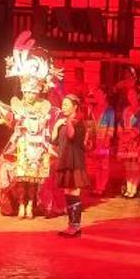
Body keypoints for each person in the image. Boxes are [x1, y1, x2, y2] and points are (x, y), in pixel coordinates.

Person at [0, 31, 62, 219]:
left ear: (38, 92)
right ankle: (21, 204)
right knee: (18, 175)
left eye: (33, 92)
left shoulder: (46, 107)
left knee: (35, 179)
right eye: (27, 92)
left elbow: (50, 128)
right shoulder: (18, 105)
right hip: (21, 146)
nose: (30, 95)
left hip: (39, 147)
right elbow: (10, 122)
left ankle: (32, 204)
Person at [53, 94, 89, 238]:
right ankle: (71, 225)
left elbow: (71, 135)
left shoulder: (79, 122)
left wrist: (67, 122)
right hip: (65, 161)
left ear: (75, 107)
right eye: (63, 104)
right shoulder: (62, 123)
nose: (63, 107)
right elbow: (54, 141)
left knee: (74, 193)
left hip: (75, 162)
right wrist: (56, 125)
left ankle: (76, 226)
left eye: (67, 104)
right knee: (68, 194)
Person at [84, 88, 115, 196]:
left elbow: (111, 126)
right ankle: (97, 186)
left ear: (104, 95)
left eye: (99, 94)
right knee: (97, 164)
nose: (97, 96)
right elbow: (89, 125)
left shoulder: (109, 110)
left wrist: (108, 138)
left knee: (104, 164)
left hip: (104, 139)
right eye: (96, 94)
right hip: (95, 139)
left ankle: (102, 186)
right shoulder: (93, 109)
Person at [116, 88, 140, 198]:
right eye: (129, 95)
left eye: (133, 94)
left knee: (134, 166)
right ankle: (129, 188)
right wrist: (121, 134)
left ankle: (134, 188)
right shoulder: (126, 110)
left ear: (138, 95)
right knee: (127, 166)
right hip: (125, 140)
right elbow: (121, 123)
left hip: (135, 141)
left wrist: (129, 137)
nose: (131, 97)